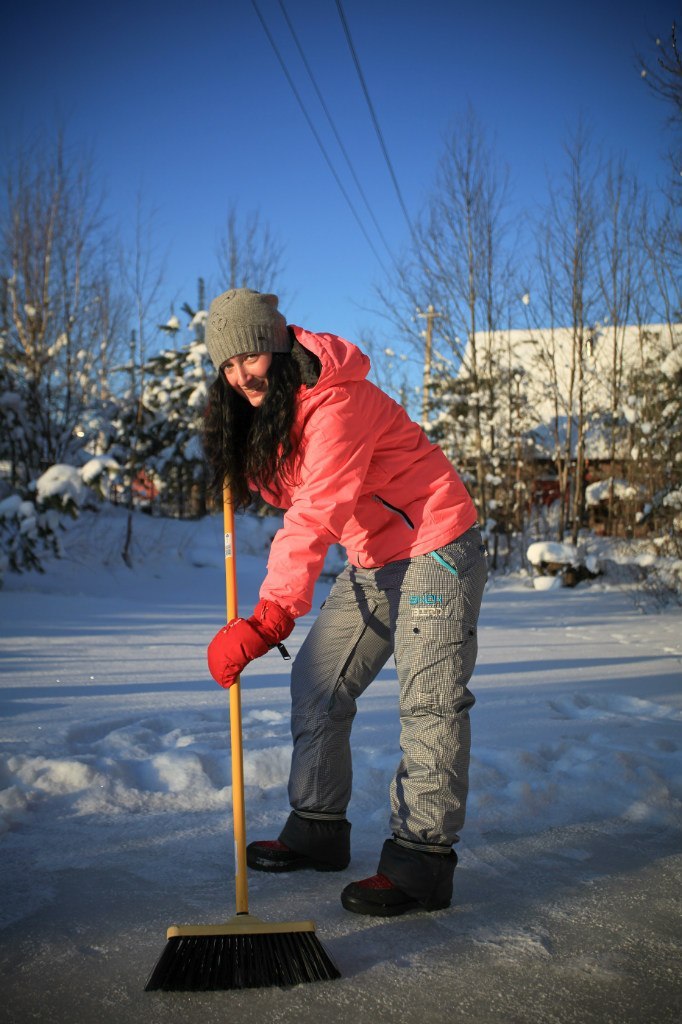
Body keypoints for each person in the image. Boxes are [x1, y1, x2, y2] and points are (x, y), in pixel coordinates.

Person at [203, 287, 487, 916]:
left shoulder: (337, 402)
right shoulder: (278, 405)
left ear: (276, 344)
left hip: (436, 543)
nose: (240, 374)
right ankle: (318, 825)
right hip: (377, 558)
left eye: (248, 354)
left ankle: (422, 860)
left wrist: (270, 615)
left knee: (429, 700)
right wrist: (242, 466)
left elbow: (315, 509)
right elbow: (293, 487)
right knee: (318, 681)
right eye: (226, 364)